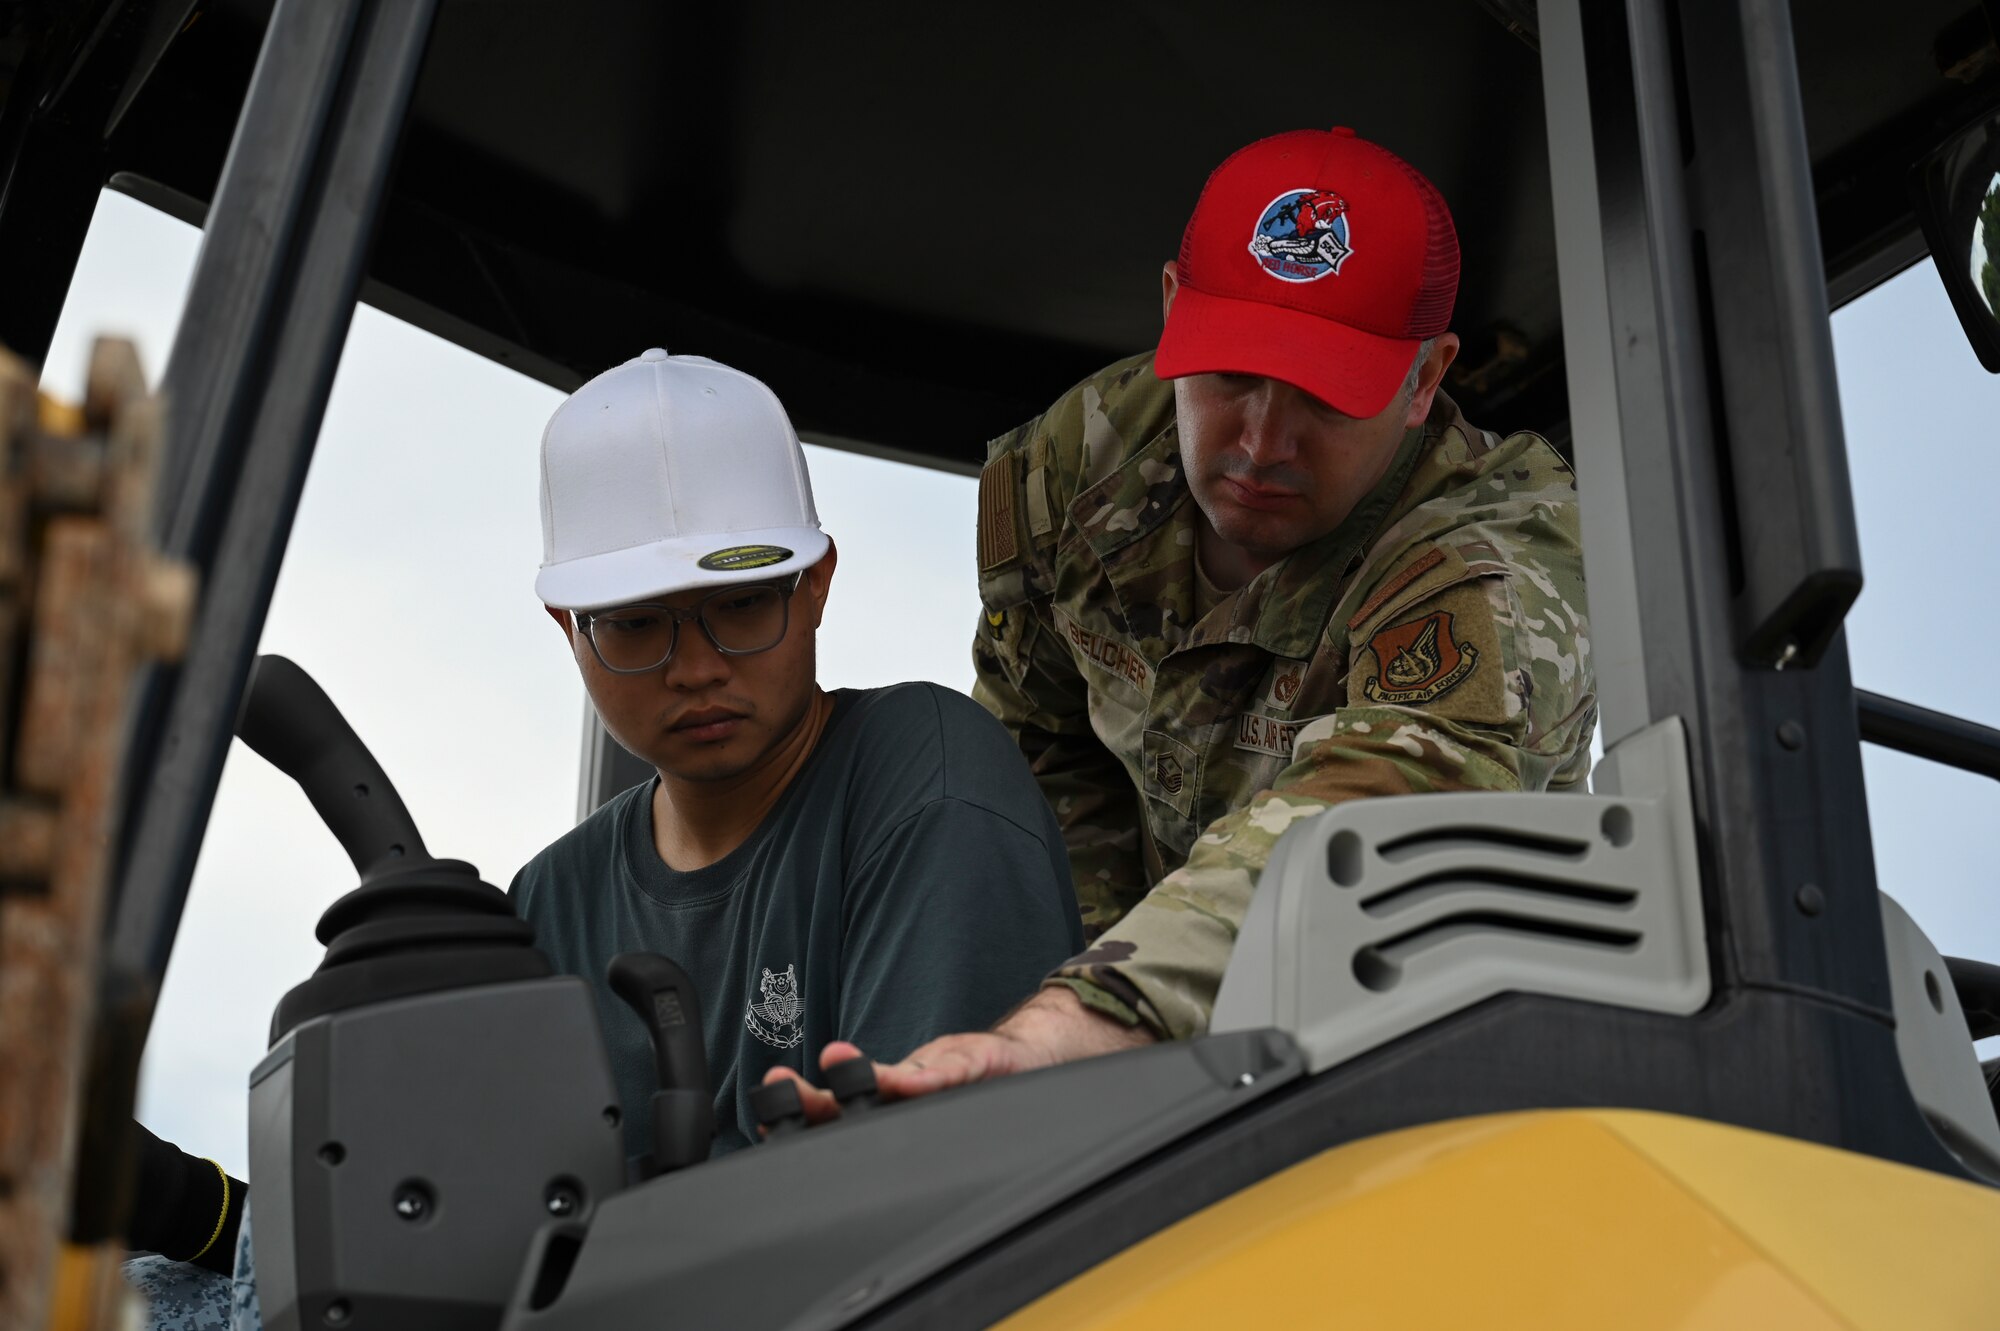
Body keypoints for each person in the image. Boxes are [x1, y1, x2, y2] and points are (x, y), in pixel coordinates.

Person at [122, 349, 1084, 1326]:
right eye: (635, 623)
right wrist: (212, 1216)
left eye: (742, 601)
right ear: (566, 626)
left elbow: (922, 1221)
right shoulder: (543, 903)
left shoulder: (926, 783)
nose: (698, 665)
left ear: (817, 582)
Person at [770, 127, 1594, 1113]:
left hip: (1442, 1054)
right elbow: (1040, 749)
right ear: (1170, 310)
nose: (1258, 441)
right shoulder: (1077, 472)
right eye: (1230, 372)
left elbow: (1361, 829)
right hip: (1136, 1037)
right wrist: (1062, 1029)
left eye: (1321, 397)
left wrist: (1077, 1027)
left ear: (1423, 379)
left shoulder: (1500, 559)